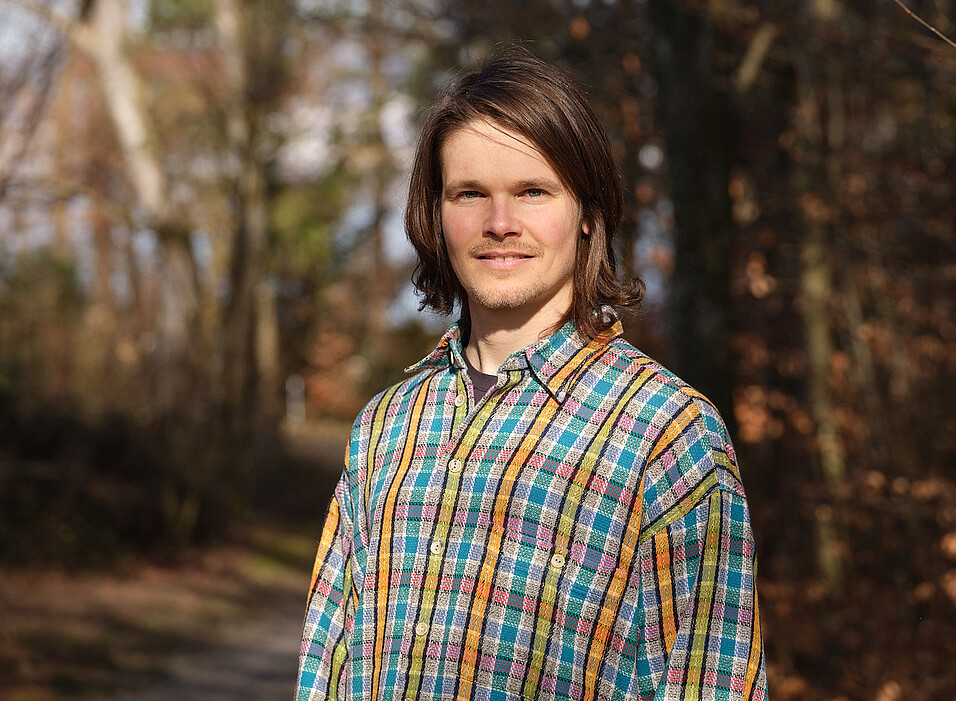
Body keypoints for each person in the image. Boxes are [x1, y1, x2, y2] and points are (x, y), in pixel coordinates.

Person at [295, 48, 767, 701]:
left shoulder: (668, 434)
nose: (499, 224)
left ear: (587, 213)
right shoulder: (385, 428)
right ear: (437, 212)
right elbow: (325, 669)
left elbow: (711, 682)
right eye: (470, 194)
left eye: (532, 192)